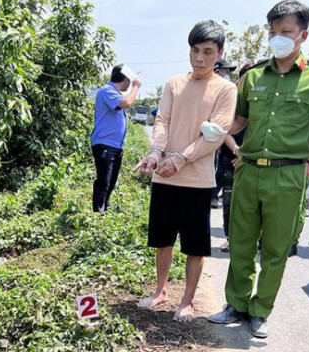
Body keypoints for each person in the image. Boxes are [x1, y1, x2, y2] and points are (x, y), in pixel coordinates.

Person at [207, 0, 309, 339]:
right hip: (248, 170)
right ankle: (235, 304)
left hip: (288, 174)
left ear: (302, 35)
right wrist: (218, 130)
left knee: (276, 249)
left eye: (286, 31)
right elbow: (239, 120)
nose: (277, 37)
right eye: (273, 31)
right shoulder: (252, 76)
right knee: (241, 243)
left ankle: (261, 310)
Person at [133, 20, 237, 323]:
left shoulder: (225, 90)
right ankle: (161, 290)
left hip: (198, 180)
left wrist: (180, 159)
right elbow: (162, 120)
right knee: (162, 238)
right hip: (164, 177)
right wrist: (155, 153)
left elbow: (215, 135)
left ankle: (188, 300)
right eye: (194, 51)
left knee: (194, 244)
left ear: (219, 53)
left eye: (207, 52)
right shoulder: (174, 83)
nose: (200, 58)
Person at [90, 65, 141, 213]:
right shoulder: (107, 91)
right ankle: (97, 214)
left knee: (111, 182)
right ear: (124, 78)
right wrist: (136, 87)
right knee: (103, 181)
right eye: (129, 80)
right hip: (104, 144)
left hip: (115, 146)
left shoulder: (115, 93)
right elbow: (127, 103)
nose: (130, 83)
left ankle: (103, 211)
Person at [216, 62, 253, 253]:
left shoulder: (264, 99)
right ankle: (231, 238)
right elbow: (223, 128)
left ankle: (252, 238)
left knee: (251, 203)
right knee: (229, 201)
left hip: (253, 160)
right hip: (230, 159)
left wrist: (246, 155)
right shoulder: (231, 97)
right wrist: (238, 151)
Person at [211, 59, 239, 209]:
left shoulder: (229, 92)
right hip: (209, 141)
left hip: (222, 141)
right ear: (216, 71)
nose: (228, 75)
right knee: (218, 171)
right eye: (226, 71)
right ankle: (211, 196)